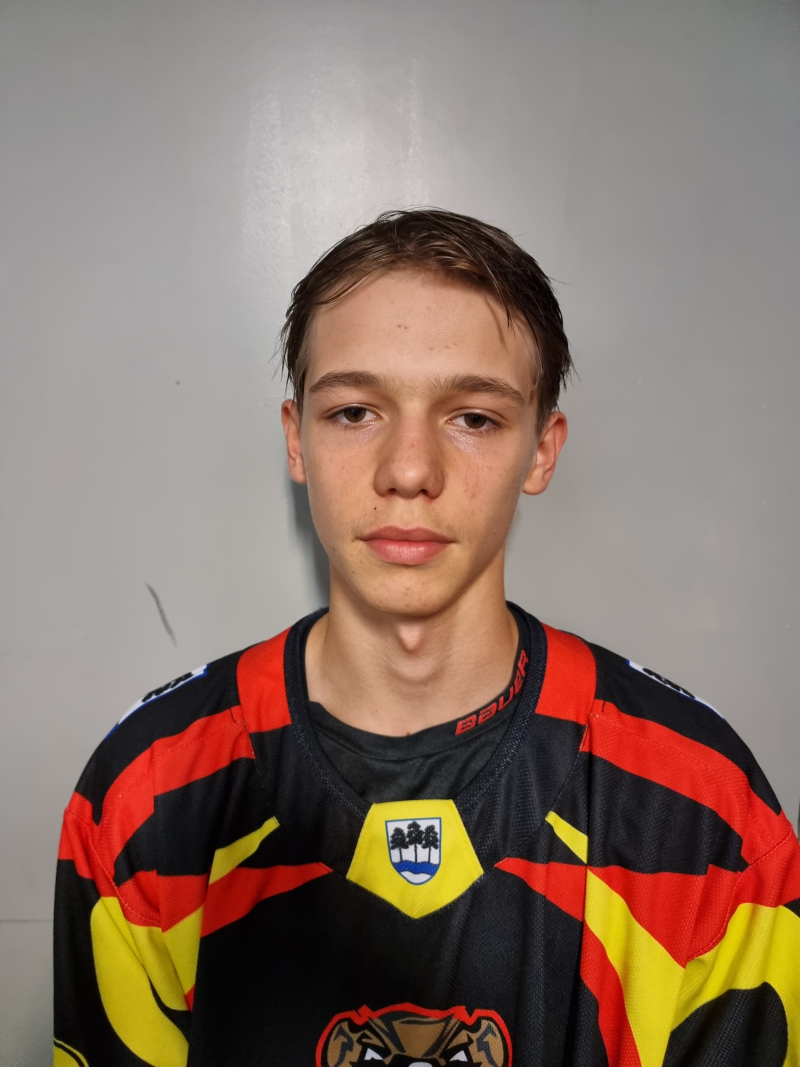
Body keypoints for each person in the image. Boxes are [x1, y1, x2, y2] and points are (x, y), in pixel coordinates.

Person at [53, 209, 800, 1067]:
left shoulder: (703, 808)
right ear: (296, 440)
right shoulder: (147, 794)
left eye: (473, 417)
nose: (409, 470)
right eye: (355, 411)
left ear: (541, 449)